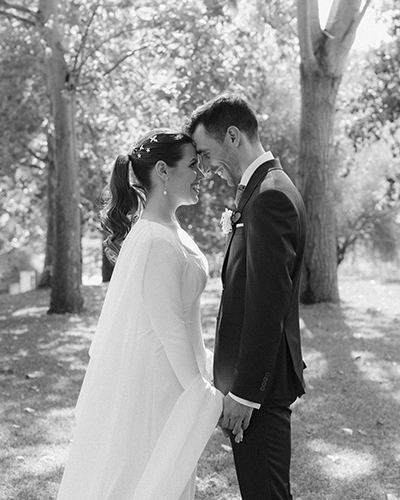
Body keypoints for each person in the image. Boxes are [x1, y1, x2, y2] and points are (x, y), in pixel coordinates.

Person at [56, 129, 223, 500]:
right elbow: (170, 329)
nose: (201, 174)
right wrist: (202, 394)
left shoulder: (170, 230)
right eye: (192, 165)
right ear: (163, 171)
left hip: (176, 381)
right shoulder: (152, 240)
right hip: (159, 387)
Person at [187, 95, 307, 500]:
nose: (205, 168)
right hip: (256, 385)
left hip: (260, 389)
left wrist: (245, 394)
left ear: (233, 136)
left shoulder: (270, 196)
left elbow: (267, 306)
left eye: (206, 154)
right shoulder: (261, 190)